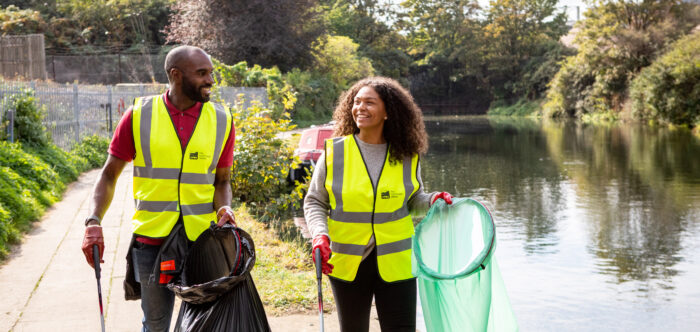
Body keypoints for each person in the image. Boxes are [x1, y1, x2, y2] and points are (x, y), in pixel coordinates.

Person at [80, 45, 237, 332]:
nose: (210, 81)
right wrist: (93, 221)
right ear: (176, 75)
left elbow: (222, 181)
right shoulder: (139, 115)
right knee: (155, 323)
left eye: (211, 73)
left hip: (202, 240)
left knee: (206, 322)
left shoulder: (222, 119)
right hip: (152, 241)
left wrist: (225, 208)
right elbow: (109, 175)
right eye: (202, 73)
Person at [304, 76, 453, 332]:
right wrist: (319, 235)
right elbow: (315, 201)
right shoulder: (334, 153)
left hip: (397, 262)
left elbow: (412, 201)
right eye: (357, 101)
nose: (360, 108)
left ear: (388, 112)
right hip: (347, 260)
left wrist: (432, 201)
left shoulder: (407, 155)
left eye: (370, 102)